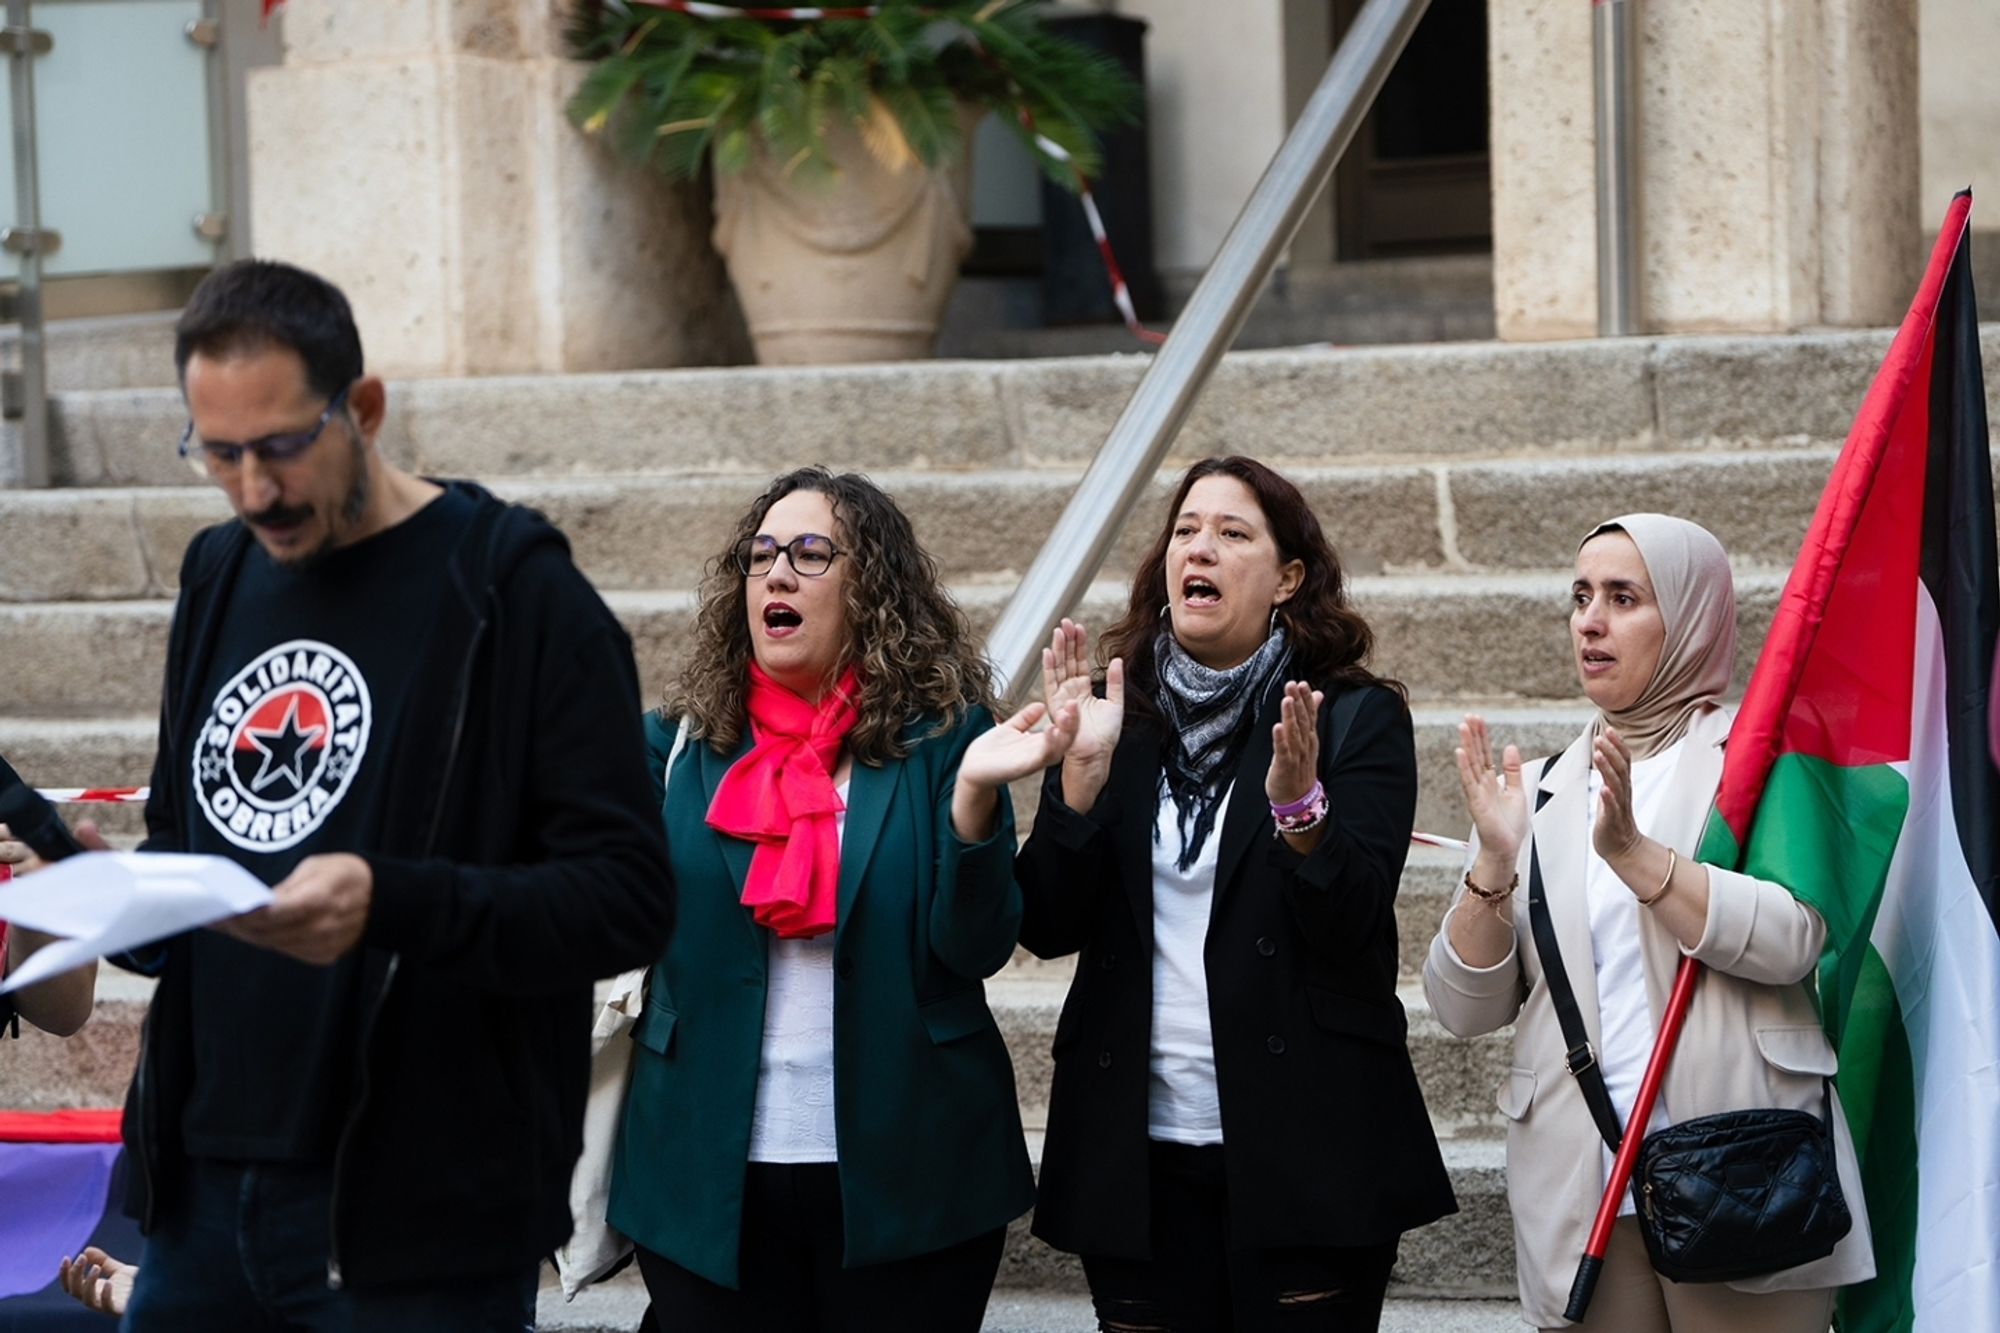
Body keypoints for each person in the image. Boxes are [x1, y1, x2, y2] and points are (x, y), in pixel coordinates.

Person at [77, 258, 674, 1331]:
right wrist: (108, 893)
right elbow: (191, 863)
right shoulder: (217, 572)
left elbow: (626, 897)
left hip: (418, 1224)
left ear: (364, 408)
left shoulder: (516, 590)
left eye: (282, 446)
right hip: (201, 1196)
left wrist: (393, 901)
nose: (254, 489)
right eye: (219, 454)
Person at [608, 467, 1072, 1332]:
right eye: (762, 555)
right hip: (703, 1177)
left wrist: (974, 803)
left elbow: (973, 949)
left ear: (873, 587)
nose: (777, 574)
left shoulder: (946, 737)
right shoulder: (672, 747)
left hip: (914, 1175)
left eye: (812, 553)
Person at [1014, 456, 1457, 1332]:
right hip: (1137, 1151)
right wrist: (1076, 786)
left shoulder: (1353, 718)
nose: (1199, 549)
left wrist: (1301, 811)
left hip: (1305, 1149)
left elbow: (1354, 922)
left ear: (1287, 578)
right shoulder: (1118, 715)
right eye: (1185, 530)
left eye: (1231, 533)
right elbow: (1047, 923)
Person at [1423, 513, 1874, 1331]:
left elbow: (1793, 938)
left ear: (1691, 615)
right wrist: (1491, 865)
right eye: (1581, 596)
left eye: (1624, 597)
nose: (1590, 620)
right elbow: (1464, 1008)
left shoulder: (1759, 757)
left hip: (1740, 1166)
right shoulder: (1552, 783)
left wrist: (1638, 857)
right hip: (1586, 1176)